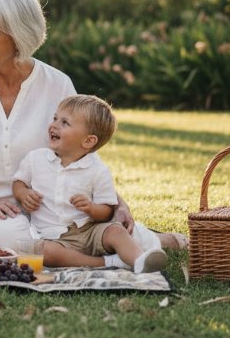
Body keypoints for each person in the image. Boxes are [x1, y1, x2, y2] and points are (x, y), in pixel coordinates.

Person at [0, 0, 183, 265]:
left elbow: (80, 155)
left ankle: (130, 241)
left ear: (18, 35)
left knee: (109, 230)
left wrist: (120, 205)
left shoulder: (57, 83)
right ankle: (127, 248)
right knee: (4, 241)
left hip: (57, 210)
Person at [12, 95, 168, 273]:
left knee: (116, 232)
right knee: (46, 252)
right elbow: (19, 182)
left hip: (90, 230)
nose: (54, 125)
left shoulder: (97, 170)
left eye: (65, 123)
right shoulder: (36, 159)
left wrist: (91, 208)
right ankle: (109, 263)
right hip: (53, 236)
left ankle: (140, 259)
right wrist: (23, 194)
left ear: (88, 141)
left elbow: (107, 210)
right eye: (55, 118)